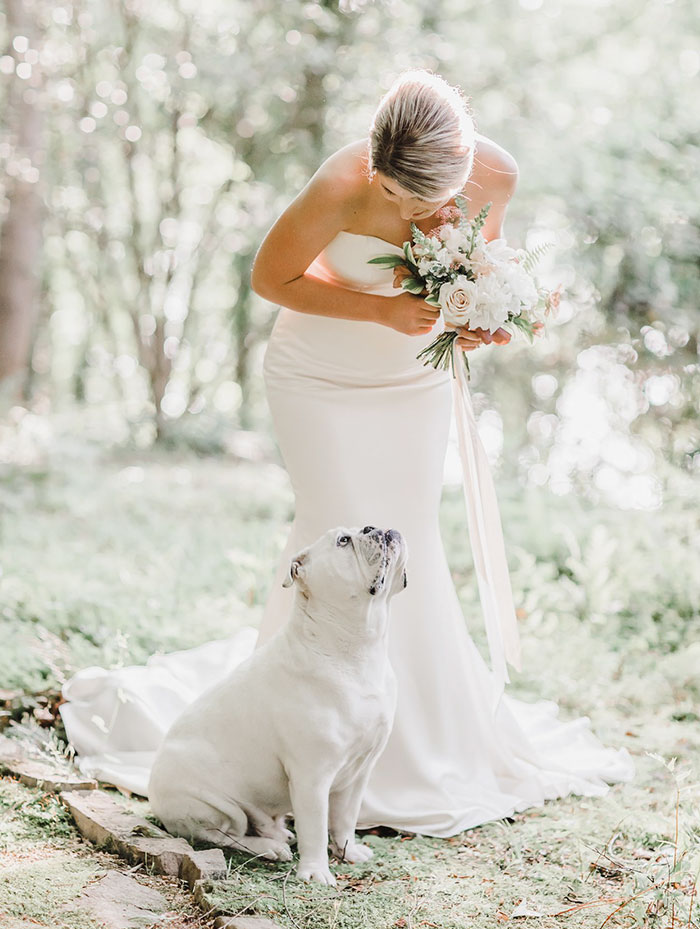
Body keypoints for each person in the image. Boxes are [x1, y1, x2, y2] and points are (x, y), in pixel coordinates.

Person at [58, 69, 635, 838]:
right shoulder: (341, 179)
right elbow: (271, 277)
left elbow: (470, 276)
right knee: (334, 532)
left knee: (412, 539)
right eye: (395, 195)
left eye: (425, 199)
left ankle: (415, 746)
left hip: (411, 384)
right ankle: (289, 736)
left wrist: (472, 321)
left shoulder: (496, 175)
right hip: (318, 378)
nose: (410, 210)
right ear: (375, 162)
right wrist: (382, 308)